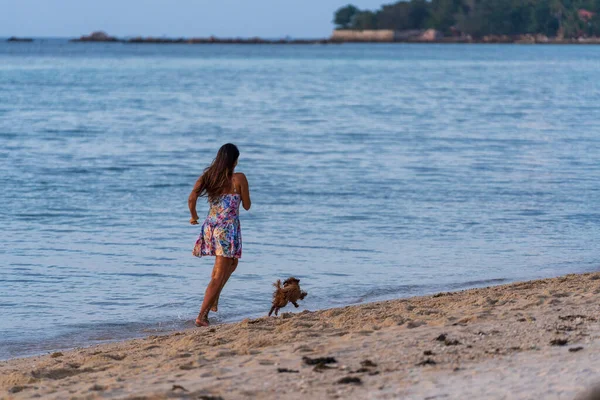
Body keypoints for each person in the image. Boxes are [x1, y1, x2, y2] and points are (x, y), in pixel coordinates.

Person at [188, 143, 251, 327]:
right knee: (219, 274)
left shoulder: (209, 177)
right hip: (226, 230)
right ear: (235, 160)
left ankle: (215, 298)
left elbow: (192, 197)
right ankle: (202, 315)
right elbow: (247, 205)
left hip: (210, 226)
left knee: (232, 263)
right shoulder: (238, 178)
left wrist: (193, 216)